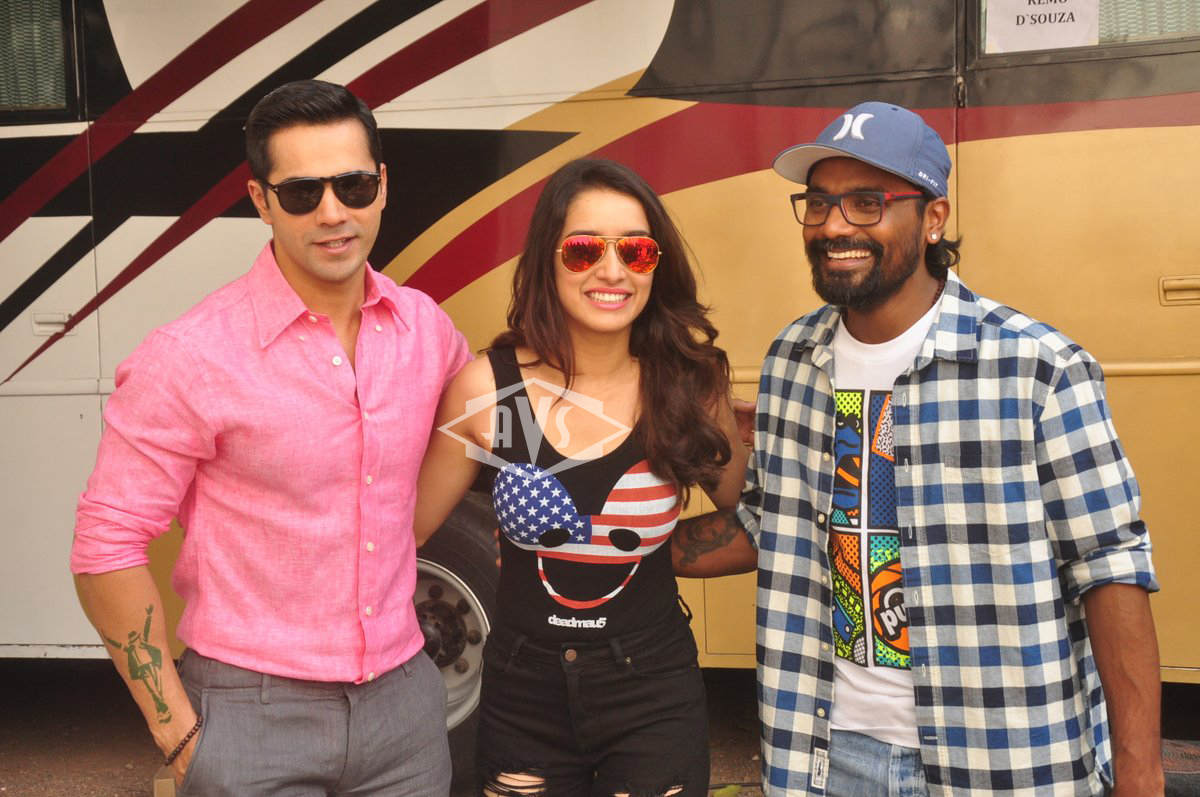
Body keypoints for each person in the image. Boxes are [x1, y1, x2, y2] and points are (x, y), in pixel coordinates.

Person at [671, 102, 1162, 797]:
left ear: (933, 218)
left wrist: (1140, 774)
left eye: (867, 202)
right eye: (819, 203)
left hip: (1003, 760)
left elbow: (1109, 568)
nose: (834, 225)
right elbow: (770, 522)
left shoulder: (1037, 369)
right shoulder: (793, 360)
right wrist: (615, 552)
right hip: (826, 754)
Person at [71, 79, 470, 795]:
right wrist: (178, 734)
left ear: (382, 186)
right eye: (301, 193)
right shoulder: (190, 356)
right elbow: (106, 544)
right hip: (248, 712)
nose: (332, 212)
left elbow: (479, 426)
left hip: (405, 707)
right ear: (260, 200)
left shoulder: (427, 331)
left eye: (352, 186)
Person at [414, 157, 747, 796]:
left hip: (651, 686)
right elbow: (404, 533)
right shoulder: (489, 391)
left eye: (637, 251)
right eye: (584, 249)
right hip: (523, 694)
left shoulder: (688, 385)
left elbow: (752, 511)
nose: (612, 270)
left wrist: (641, 550)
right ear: (548, 259)